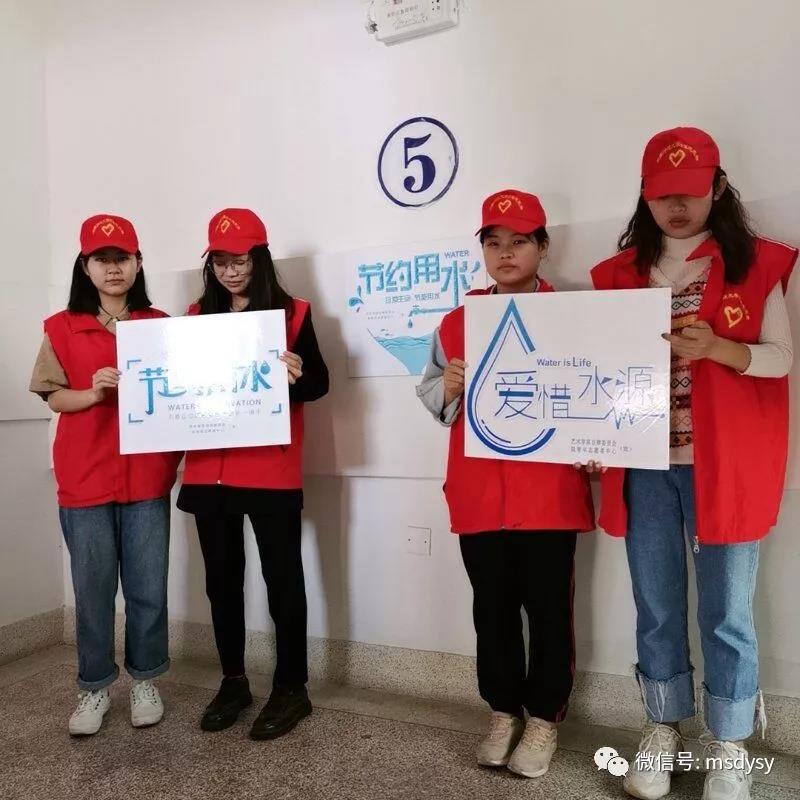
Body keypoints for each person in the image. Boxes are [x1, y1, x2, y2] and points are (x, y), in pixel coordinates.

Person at [589, 127, 796, 800]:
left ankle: (729, 742)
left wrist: (718, 350)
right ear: (644, 197)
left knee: (727, 611)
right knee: (655, 605)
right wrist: (589, 435)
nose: (676, 208)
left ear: (718, 187)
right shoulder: (617, 275)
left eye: (691, 192)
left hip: (724, 464)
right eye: (662, 196)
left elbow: (780, 359)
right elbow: (593, 370)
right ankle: (662, 727)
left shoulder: (755, 264)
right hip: (643, 464)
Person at [416, 189, 595, 778]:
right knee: (490, 610)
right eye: (493, 243)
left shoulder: (575, 316)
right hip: (479, 493)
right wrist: (448, 387)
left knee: (548, 610)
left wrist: (602, 443)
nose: (506, 253)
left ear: (543, 247)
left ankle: (543, 718)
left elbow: (599, 391)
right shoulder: (456, 322)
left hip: (548, 494)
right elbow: (431, 393)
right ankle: (502, 711)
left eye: (519, 241)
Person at [177, 208, 329, 740]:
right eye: (220, 261)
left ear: (260, 258)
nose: (230, 271)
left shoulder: (293, 313)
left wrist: (298, 373)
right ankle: (234, 681)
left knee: (282, 580)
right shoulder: (195, 316)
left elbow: (319, 384)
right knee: (221, 582)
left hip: (269, 468)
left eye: (240, 259)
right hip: (208, 469)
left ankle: (292, 688)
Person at [29, 214, 180, 735]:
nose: (113, 268)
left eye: (123, 258)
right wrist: (93, 393)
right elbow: (54, 397)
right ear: (85, 266)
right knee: (92, 591)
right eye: (102, 259)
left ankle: (145, 680)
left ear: (138, 263)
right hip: (85, 476)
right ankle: (93, 687)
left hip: (147, 477)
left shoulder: (160, 324)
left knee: (147, 588)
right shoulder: (60, 327)